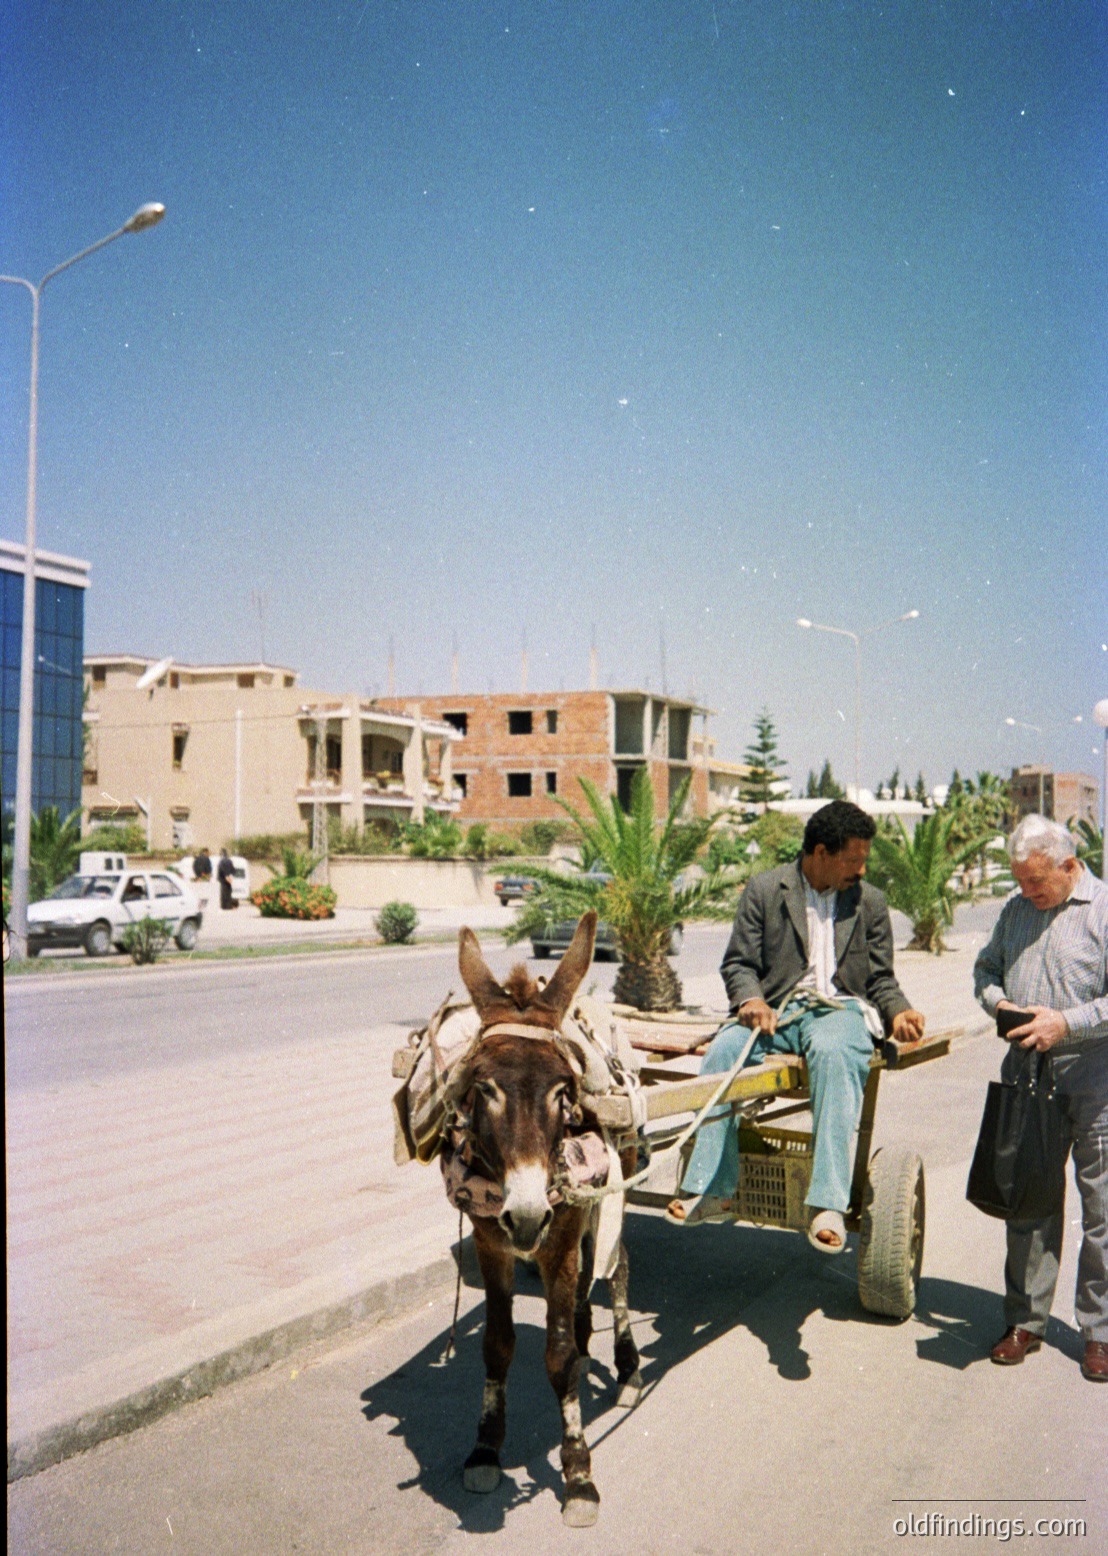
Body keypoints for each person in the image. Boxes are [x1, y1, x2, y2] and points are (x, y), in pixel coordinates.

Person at [669, 800, 925, 1250]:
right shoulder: (766, 890)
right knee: (722, 1053)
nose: (861, 870)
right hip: (776, 1013)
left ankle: (827, 1202)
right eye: (853, 859)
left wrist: (898, 1010)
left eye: (865, 859)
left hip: (838, 1011)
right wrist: (749, 1000)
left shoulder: (870, 903)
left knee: (833, 1052)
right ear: (821, 853)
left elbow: (881, 979)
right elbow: (739, 963)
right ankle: (713, 1188)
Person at [973, 814, 1108, 1383]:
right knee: (1028, 1199)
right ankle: (1025, 1320)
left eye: (1037, 883)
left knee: (1103, 1209)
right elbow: (985, 969)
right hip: (1029, 1077)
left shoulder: (1103, 910)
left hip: (1097, 1080)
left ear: (1070, 865)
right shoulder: (1014, 909)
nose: (1027, 893)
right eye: (1021, 882)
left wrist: (1066, 1024)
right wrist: (998, 1003)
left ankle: (1100, 1333)